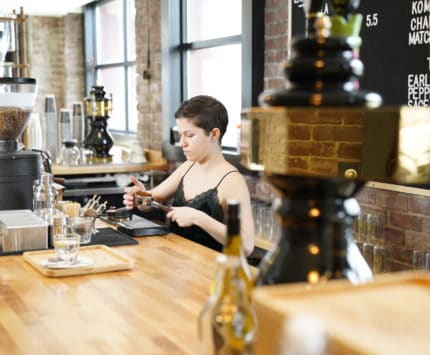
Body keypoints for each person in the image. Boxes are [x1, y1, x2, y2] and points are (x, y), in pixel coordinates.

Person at [123, 95, 254, 256]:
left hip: (209, 273)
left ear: (214, 134)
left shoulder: (232, 181)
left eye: (190, 135)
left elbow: (247, 246)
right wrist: (140, 198)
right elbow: (152, 200)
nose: (182, 143)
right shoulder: (187, 167)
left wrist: (199, 218)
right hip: (178, 266)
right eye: (180, 135)